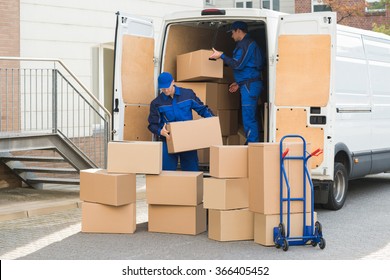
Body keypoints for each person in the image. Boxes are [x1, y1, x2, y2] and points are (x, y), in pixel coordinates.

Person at [209, 21, 264, 143]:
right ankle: (252, 142)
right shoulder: (248, 44)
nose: (231, 36)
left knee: (248, 117)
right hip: (248, 84)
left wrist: (221, 56)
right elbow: (250, 67)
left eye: (232, 32)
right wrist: (239, 83)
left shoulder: (245, 44)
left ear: (239, 31)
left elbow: (238, 64)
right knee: (250, 116)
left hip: (250, 86)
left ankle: (252, 145)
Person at [148, 72, 214, 171]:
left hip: (188, 139)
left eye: (167, 87)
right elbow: (152, 125)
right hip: (169, 140)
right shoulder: (156, 103)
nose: (165, 90)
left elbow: (202, 109)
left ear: (173, 82)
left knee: (191, 172)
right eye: (162, 88)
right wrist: (160, 131)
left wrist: (212, 120)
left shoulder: (188, 94)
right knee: (167, 172)